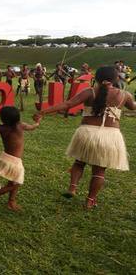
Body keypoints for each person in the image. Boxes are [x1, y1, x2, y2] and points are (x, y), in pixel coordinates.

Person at [34, 66, 135, 208]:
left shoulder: (89, 91)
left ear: (96, 77)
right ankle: (90, 200)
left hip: (87, 133)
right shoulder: (125, 95)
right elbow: (133, 107)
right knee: (99, 170)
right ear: (116, 78)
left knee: (79, 162)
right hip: (110, 136)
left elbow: (67, 104)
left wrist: (43, 112)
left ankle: (73, 188)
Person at [0, 106, 40, 211]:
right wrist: (37, 122)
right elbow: (32, 127)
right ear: (17, 117)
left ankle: (11, 201)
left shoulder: (1, 128)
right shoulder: (20, 126)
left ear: (3, 118)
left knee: (13, 181)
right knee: (17, 183)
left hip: (4, 158)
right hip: (14, 162)